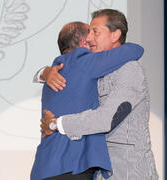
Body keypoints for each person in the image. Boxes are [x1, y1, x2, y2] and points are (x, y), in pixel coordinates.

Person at [37, 9, 159, 180]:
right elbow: (65, 68)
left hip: (128, 171)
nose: (89, 38)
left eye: (95, 32)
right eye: (89, 33)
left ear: (115, 35)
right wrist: (43, 72)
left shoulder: (130, 70)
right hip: (99, 173)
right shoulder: (95, 69)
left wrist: (56, 124)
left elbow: (105, 119)